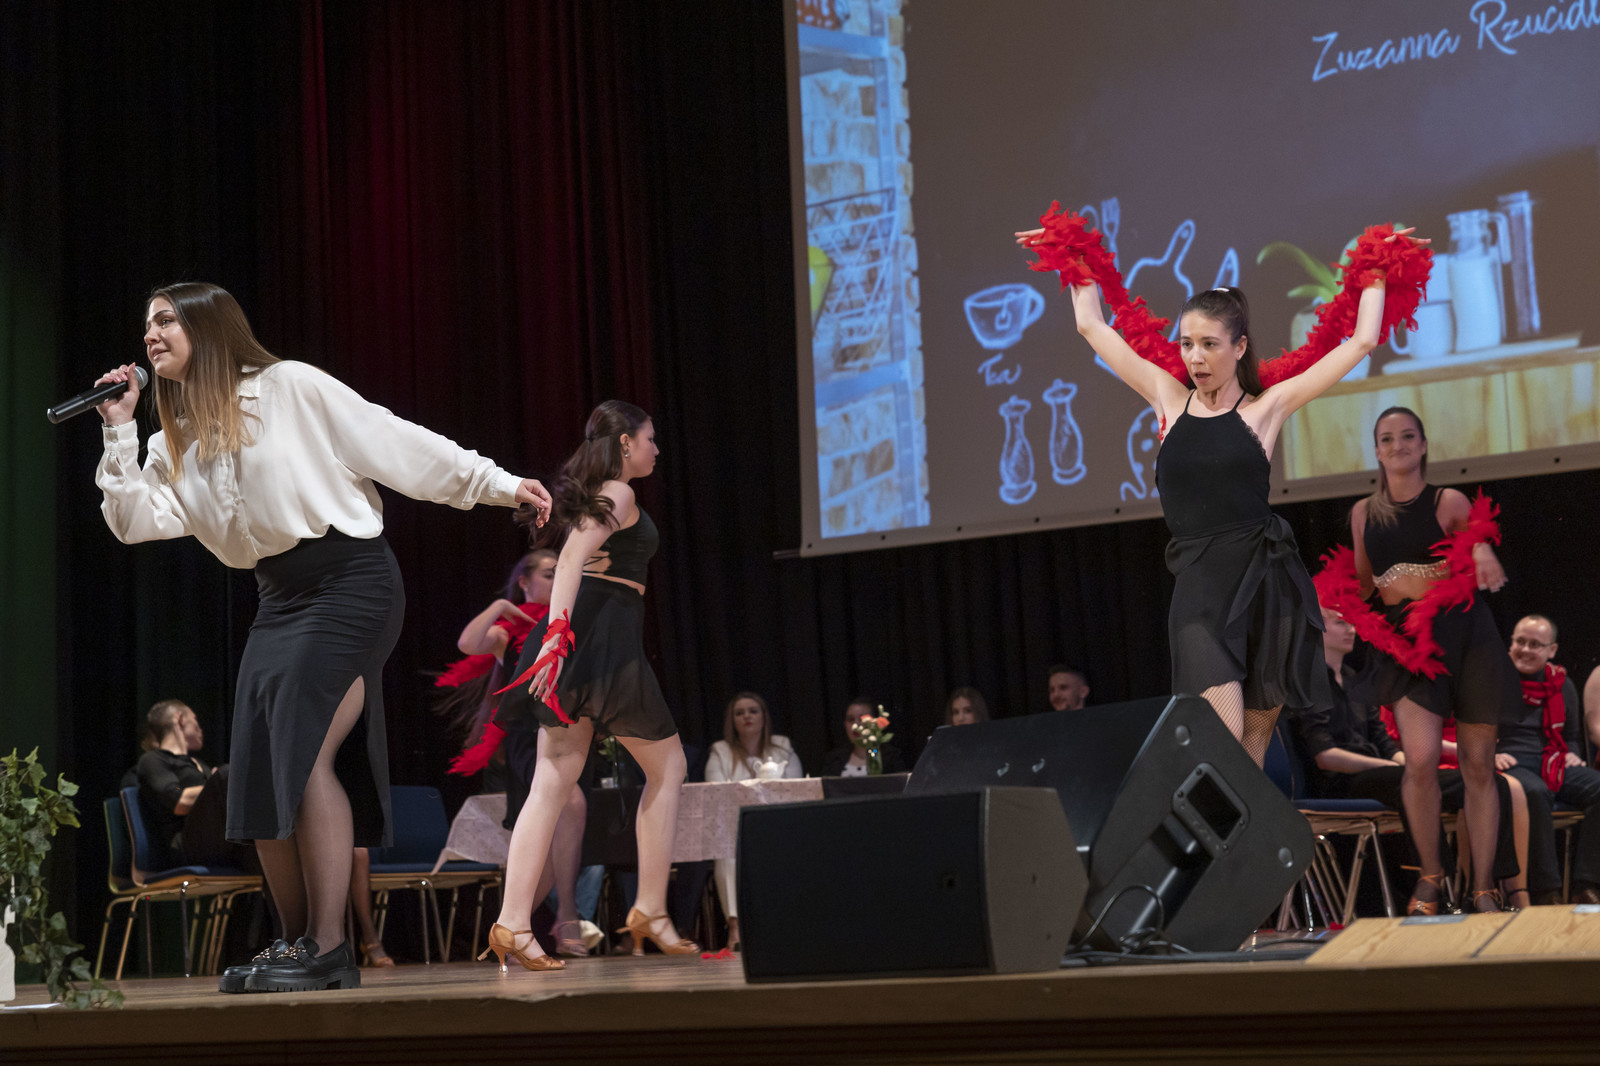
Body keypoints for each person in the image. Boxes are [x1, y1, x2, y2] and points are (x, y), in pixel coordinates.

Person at [94, 282, 550, 993]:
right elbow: (132, 521)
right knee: (257, 773)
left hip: (350, 582)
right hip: (277, 597)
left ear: (209, 328)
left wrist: (495, 482)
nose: (150, 334)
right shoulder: (173, 438)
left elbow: (393, 440)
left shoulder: (289, 387)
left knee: (304, 754)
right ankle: (293, 943)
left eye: (165, 320)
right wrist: (120, 428)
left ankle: (331, 945)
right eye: (146, 323)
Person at [1018, 211, 1431, 768]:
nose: (1194, 357)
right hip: (1200, 598)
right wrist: (1070, 253)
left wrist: (1377, 266)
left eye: (1209, 344)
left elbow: (1360, 342)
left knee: (1251, 752)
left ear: (1239, 347)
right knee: (1225, 733)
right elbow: (1092, 327)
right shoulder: (1166, 396)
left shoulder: (1267, 408)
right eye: (1187, 343)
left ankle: (1242, 831)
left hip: (1266, 592)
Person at [484, 400, 697, 972]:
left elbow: (576, 556)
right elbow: (571, 557)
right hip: (599, 638)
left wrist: (558, 638)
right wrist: (556, 637)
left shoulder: (609, 491)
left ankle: (513, 922)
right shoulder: (620, 491)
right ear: (626, 442)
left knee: (552, 780)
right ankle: (650, 907)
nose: (657, 448)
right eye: (651, 438)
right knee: (668, 767)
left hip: (589, 636)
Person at [1324, 407, 1516, 914]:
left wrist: (1479, 550)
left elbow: (1476, 538)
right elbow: (1365, 584)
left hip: (1466, 636)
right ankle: (1431, 876)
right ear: (1377, 450)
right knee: (1422, 760)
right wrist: (1337, 599)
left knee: (1478, 764)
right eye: (1387, 438)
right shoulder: (1364, 513)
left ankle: (1483, 887)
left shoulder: (1447, 500)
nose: (1398, 445)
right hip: (1407, 642)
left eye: (1408, 436)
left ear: (1424, 445)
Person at [1296, 606, 1526, 907]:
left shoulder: (1354, 679)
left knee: (1493, 784)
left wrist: (1405, 763)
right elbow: (1326, 756)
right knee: (1414, 780)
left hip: (1380, 773)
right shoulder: (1309, 680)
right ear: (1319, 629)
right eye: (1341, 623)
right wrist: (1397, 766)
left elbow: (1384, 741)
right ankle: (1435, 881)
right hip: (1341, 781)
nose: (1351, 630)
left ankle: (1488, 887)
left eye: (1351, 623)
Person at [446, 548, 593, 956]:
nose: (556, 579)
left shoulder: (569, 624)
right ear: (525, 582)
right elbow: (467, 643)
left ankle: (510, 929)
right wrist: (501, 606)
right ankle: (567, 915)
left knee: (551, 845)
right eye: (548, 574)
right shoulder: (508, 633)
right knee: (572, 805)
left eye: (560, 573)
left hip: (569, 732)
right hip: (529, 738)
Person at [1496, 615, 1600, 905]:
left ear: (1551, 650)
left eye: (1535, 644)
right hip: (1509, 759)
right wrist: (1489, 754)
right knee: (1534, 791)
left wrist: (1573, 753)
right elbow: (1471, 728)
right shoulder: (1491, 677)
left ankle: (1587, 886)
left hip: (1552, 760)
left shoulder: (1561, 683)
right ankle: (1546, 891)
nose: (1525, 650)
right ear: (1510, 643)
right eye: (1520, 641)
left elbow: (1572, 735)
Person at [704, 692, 803, 949]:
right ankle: (736, 928)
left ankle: (784, 925)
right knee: (727, 852)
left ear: (764, 716)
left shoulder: (782, 746)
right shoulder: (721, 751)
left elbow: (795, 788)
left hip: (777, 826)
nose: (746, 716)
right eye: (739, 713)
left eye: (753, 711)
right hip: (737, 828)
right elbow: (716, 790)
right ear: (732, 720)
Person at [819, 698, 908, 777]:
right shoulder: (834, 759)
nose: (856, 724)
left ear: (874, 722)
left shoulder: (891, 756)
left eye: (862, 719)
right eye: (851, 719)